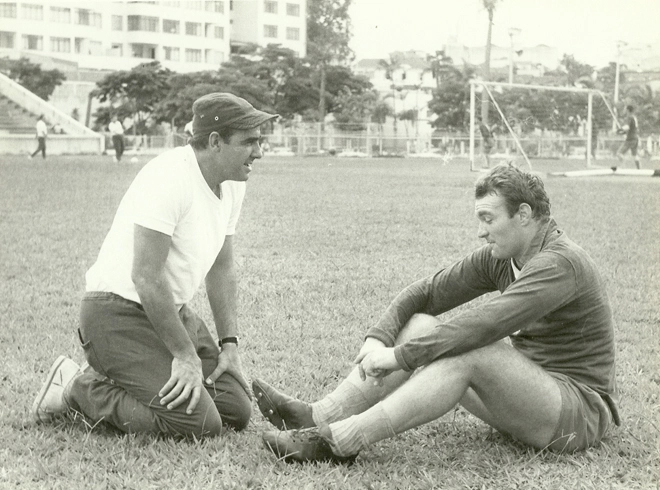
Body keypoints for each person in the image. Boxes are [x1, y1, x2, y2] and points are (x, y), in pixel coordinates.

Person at [253, 164, 620, 463]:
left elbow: (484, 325)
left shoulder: (560, 263)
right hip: (529, 396)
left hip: (577, 413)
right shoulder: (505, 256)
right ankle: (320, 415)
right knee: (420, 323)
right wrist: (378, 337)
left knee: (475, 349)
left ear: (523, 214)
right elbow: (424, 293)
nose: (481, 232)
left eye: (488, 219)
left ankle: (341, 441)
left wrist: (398, 357)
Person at [32, 93, 279, 438]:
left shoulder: (232, 183)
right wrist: (184, 355)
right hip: (115, 313)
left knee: (235, 409)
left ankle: (133, 377)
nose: (259, 152)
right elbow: (145, 277)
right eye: (250, 142)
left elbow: (221, 268)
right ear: (215, 142)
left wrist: (230, 346)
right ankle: (77, 388)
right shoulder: (169, 176)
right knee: (199, 424)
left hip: (168, 311)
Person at [616, 105, 641, 169]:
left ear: (627, 110)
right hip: (635, 138)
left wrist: (619, 129)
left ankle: (623, 167)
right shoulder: (634, 117)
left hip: (630, 139)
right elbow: (632, 129)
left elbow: (627, 127)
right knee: (635, 155)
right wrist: (622, 132)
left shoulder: (629, 117)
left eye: (625, 109)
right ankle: (639, 169)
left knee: (619, 153)